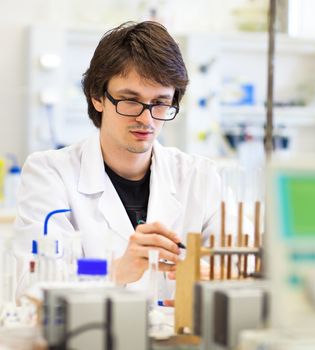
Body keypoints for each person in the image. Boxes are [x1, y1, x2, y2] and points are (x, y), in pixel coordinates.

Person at [14, 21, 221, 292]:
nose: (146, 119)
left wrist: (215, 273)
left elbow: (244, 265)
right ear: (97, 97)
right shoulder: (50, 174)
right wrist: (115, 268)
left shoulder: (199, 177)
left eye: (160, 103)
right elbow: (36, 278)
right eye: (130, 100)